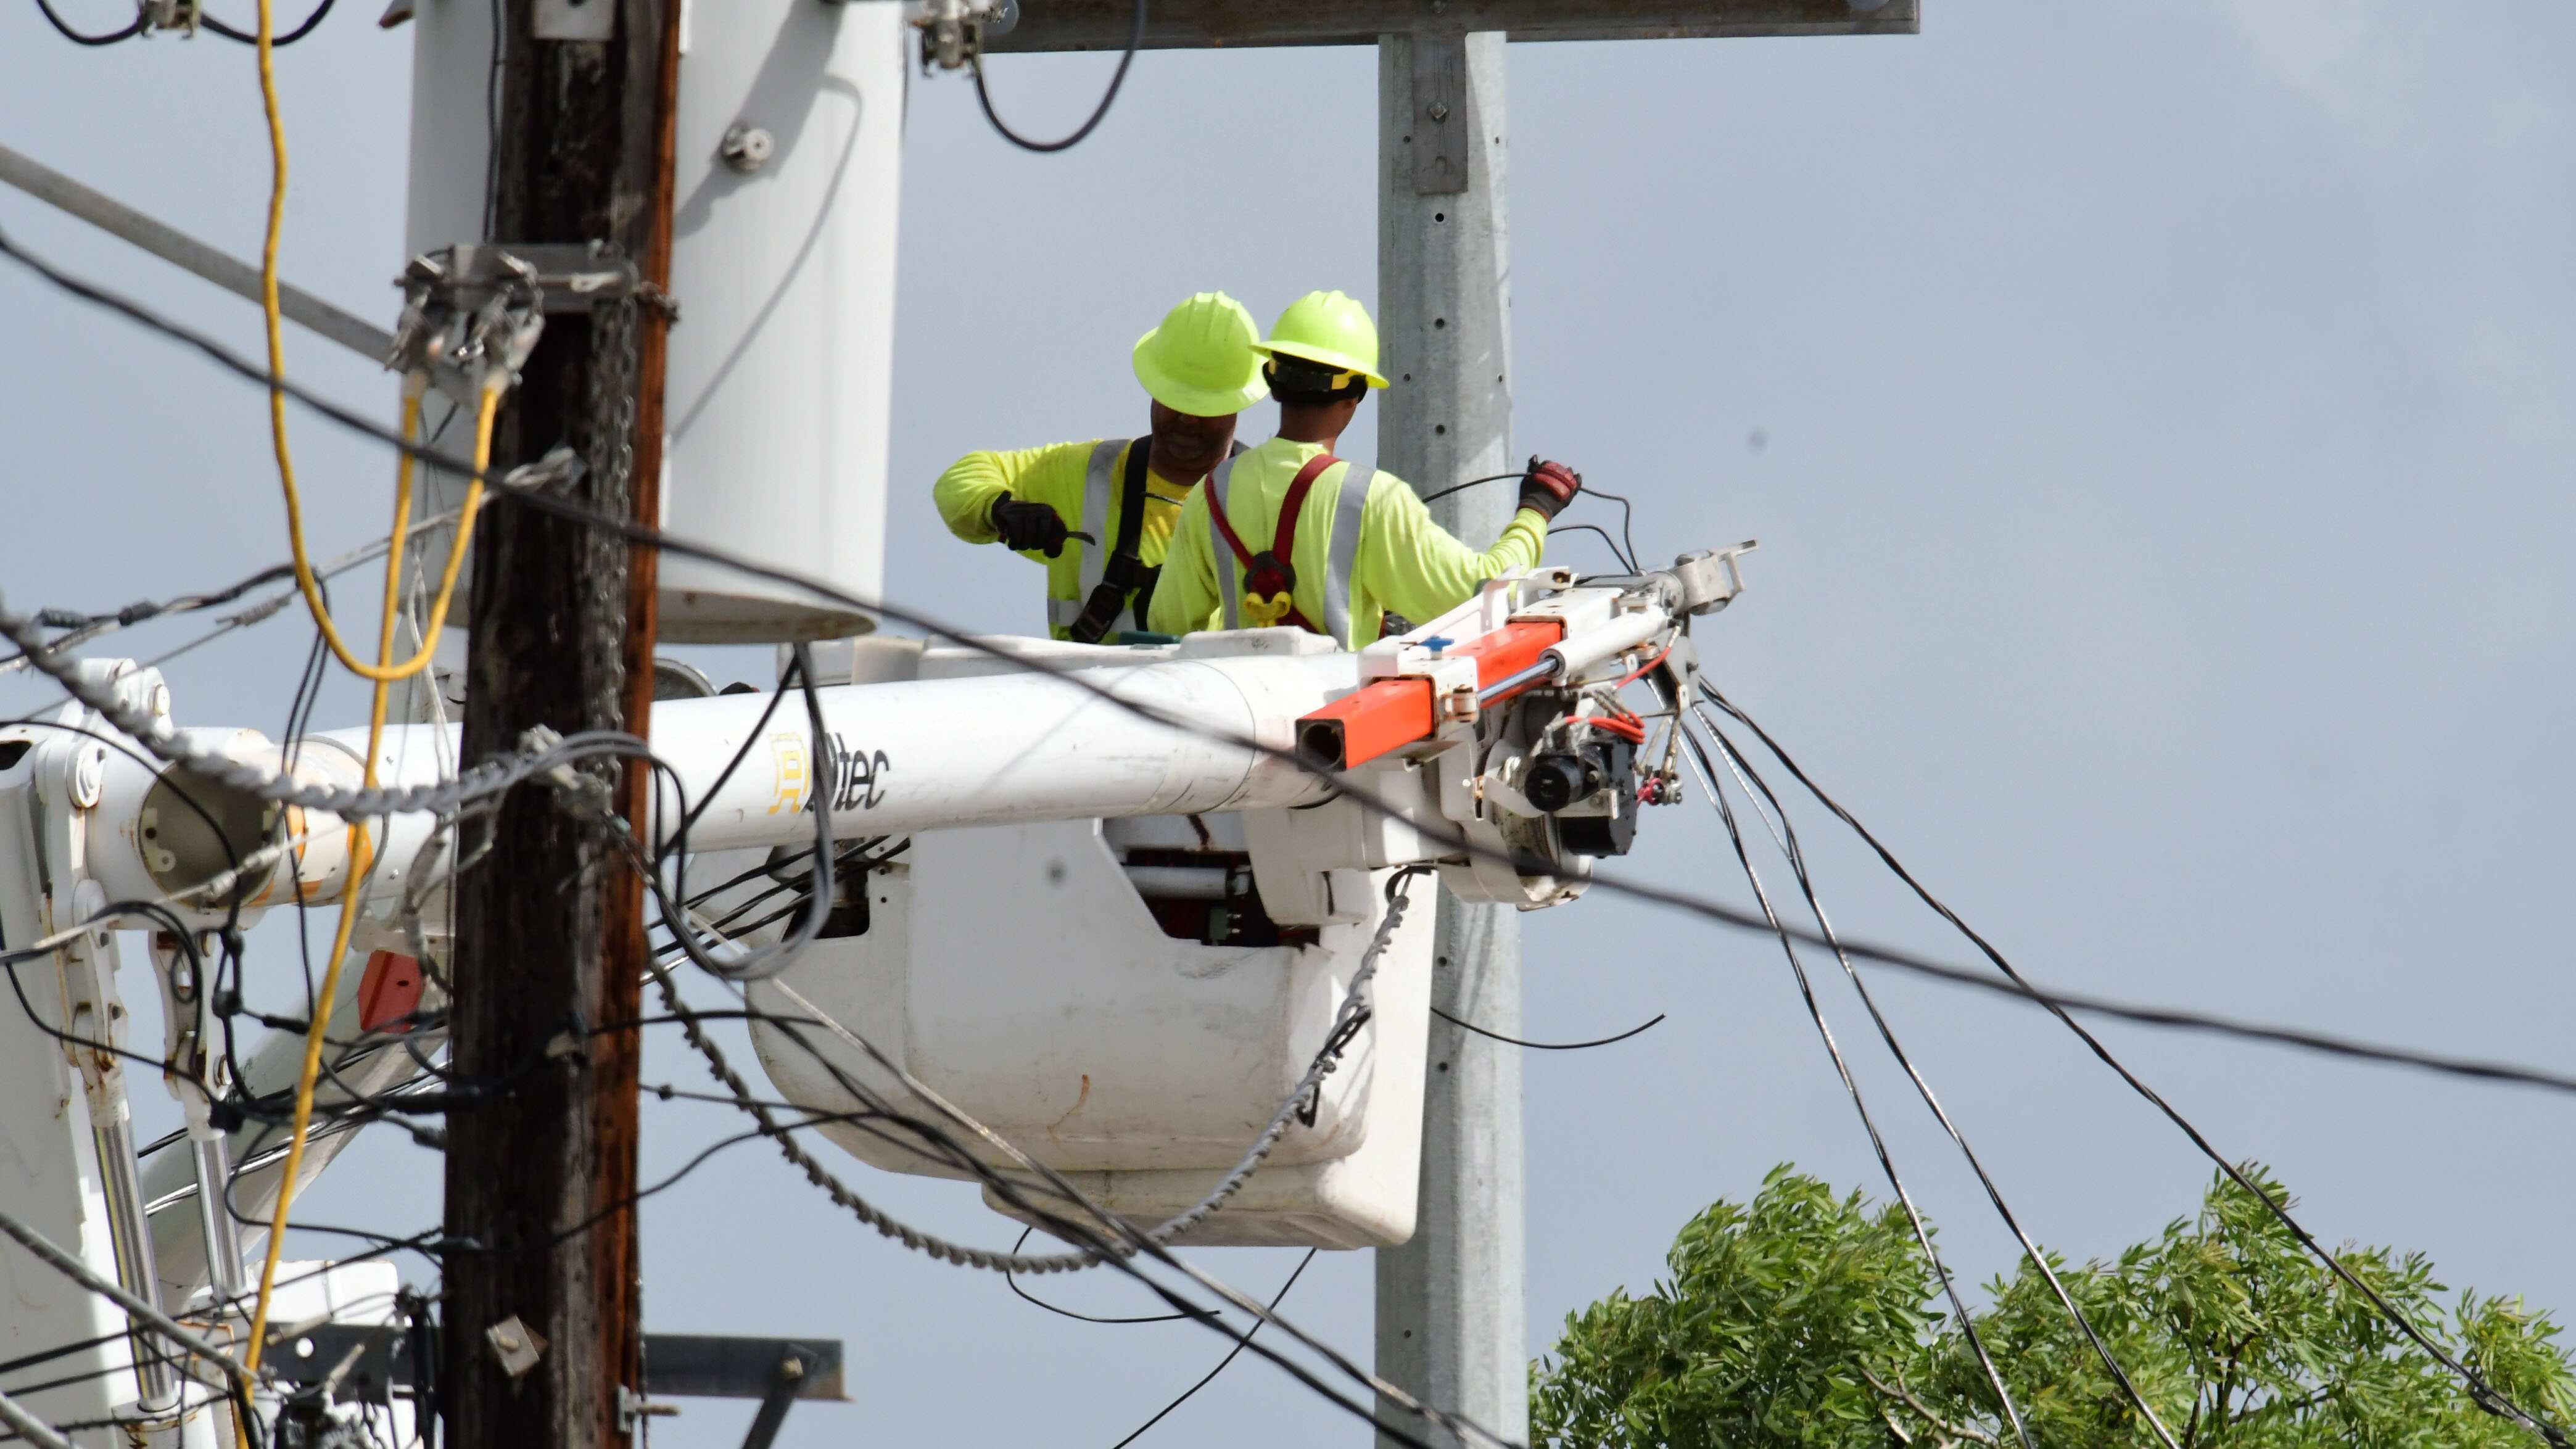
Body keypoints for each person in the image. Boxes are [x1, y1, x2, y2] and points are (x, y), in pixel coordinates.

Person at [1149, 290, 1582, 648]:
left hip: (1241, 723)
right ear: (1354, 395)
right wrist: (1536, 511)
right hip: (1337, 734)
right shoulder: (1370, 499)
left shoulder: (1212, 493)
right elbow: (1480, 593)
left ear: (1273, 380)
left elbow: (1167, 623)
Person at [932, 291, 1269, 642]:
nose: (1186, 418)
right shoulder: (1090, 473)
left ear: (1236, 405)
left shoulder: (1266, 502)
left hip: (1218, 694)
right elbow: (959, 479)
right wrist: (998, 508)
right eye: (1174, 398)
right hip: (1086, 688)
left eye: (1203, 406)